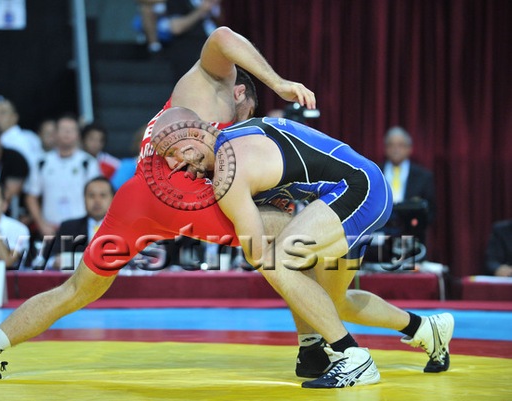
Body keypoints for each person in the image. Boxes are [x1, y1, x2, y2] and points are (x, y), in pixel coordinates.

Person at [0, 25, 315, 384]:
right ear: (239, 91)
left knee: (77, 289)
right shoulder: (215, 80)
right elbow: (222, 35)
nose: (240, 124)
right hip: (178, 196)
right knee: (294, 233)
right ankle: (313, 348)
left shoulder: (195, 107)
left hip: (137, 198)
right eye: (246, 113)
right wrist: (279, 83)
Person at [151, 109, 455, 388]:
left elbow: (256, 251)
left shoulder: (228, 171)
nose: (174, 166)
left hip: (357, 192)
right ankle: (426, 328)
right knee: (331, 303)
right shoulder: (237, 134)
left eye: (174, 152)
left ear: (196, 133)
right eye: (167, 159)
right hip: (360, 188)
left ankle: (352, 356)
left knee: (273, 261)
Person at [24, 114, 101, 236]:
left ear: (78, 135)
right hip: (50, 229)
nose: (67, 133)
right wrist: (41, 224)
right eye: (63, 129)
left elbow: (97, 194)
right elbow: (31, 196)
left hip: (80, 229)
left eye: (71, 130)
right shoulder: (42, 163)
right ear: (54, 134)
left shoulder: (88, 163)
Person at [381, 126, 435, 243]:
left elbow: (431, 211)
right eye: (391, 145)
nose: (395, 149)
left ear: (409, 149)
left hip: (412, 238)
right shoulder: (375, 173)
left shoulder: (423, 176)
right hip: (380, 236)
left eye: (400, 145)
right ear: (385, 148)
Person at [47, 177, 114, 270]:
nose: (97, 201)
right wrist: (55, 262)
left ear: (113, 199)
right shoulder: (68, 227)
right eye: (91, 196)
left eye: (103, 195)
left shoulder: (124, 229)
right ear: (84, 199)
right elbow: (50, 258)